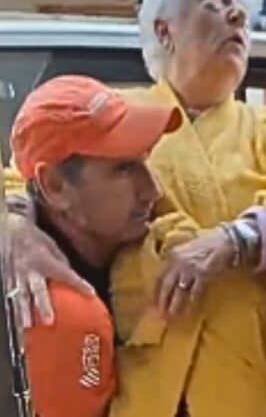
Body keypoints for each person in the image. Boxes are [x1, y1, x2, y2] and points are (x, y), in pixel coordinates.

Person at [4, 0, 266, 417]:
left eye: (241, 14)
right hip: (145, 396)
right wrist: (15, 226)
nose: (236, 16)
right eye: (213, 2)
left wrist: (240, 239)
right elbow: (27, 169)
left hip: (248, 394)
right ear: (165, 31)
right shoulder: (121, 116)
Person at [8, 76, 181, 417]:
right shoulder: (55, 314)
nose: (153, 190)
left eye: (145, 160)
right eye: (125, 168)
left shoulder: (129, 242)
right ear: (56, 187)